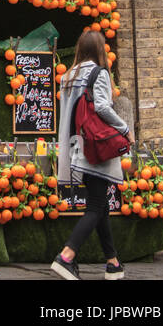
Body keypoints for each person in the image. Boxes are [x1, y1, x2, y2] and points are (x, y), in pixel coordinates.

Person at [52, 30, 131, 282]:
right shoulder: (99, 73)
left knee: (100, 204)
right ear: (99, 50)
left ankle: (113, 263)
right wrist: (124, 128)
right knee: (96, 206)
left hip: (76, 147)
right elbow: (102, 107)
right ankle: (66, 255)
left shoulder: (67, 76)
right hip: (97, 147)